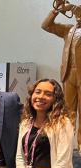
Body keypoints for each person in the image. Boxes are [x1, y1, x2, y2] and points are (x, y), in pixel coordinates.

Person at [42, 0, 81, 149]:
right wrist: (57, 9)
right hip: (69, 75)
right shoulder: (69, 30)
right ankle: (66, 148)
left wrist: (71, 7)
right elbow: (46, 26)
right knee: (68, 115)